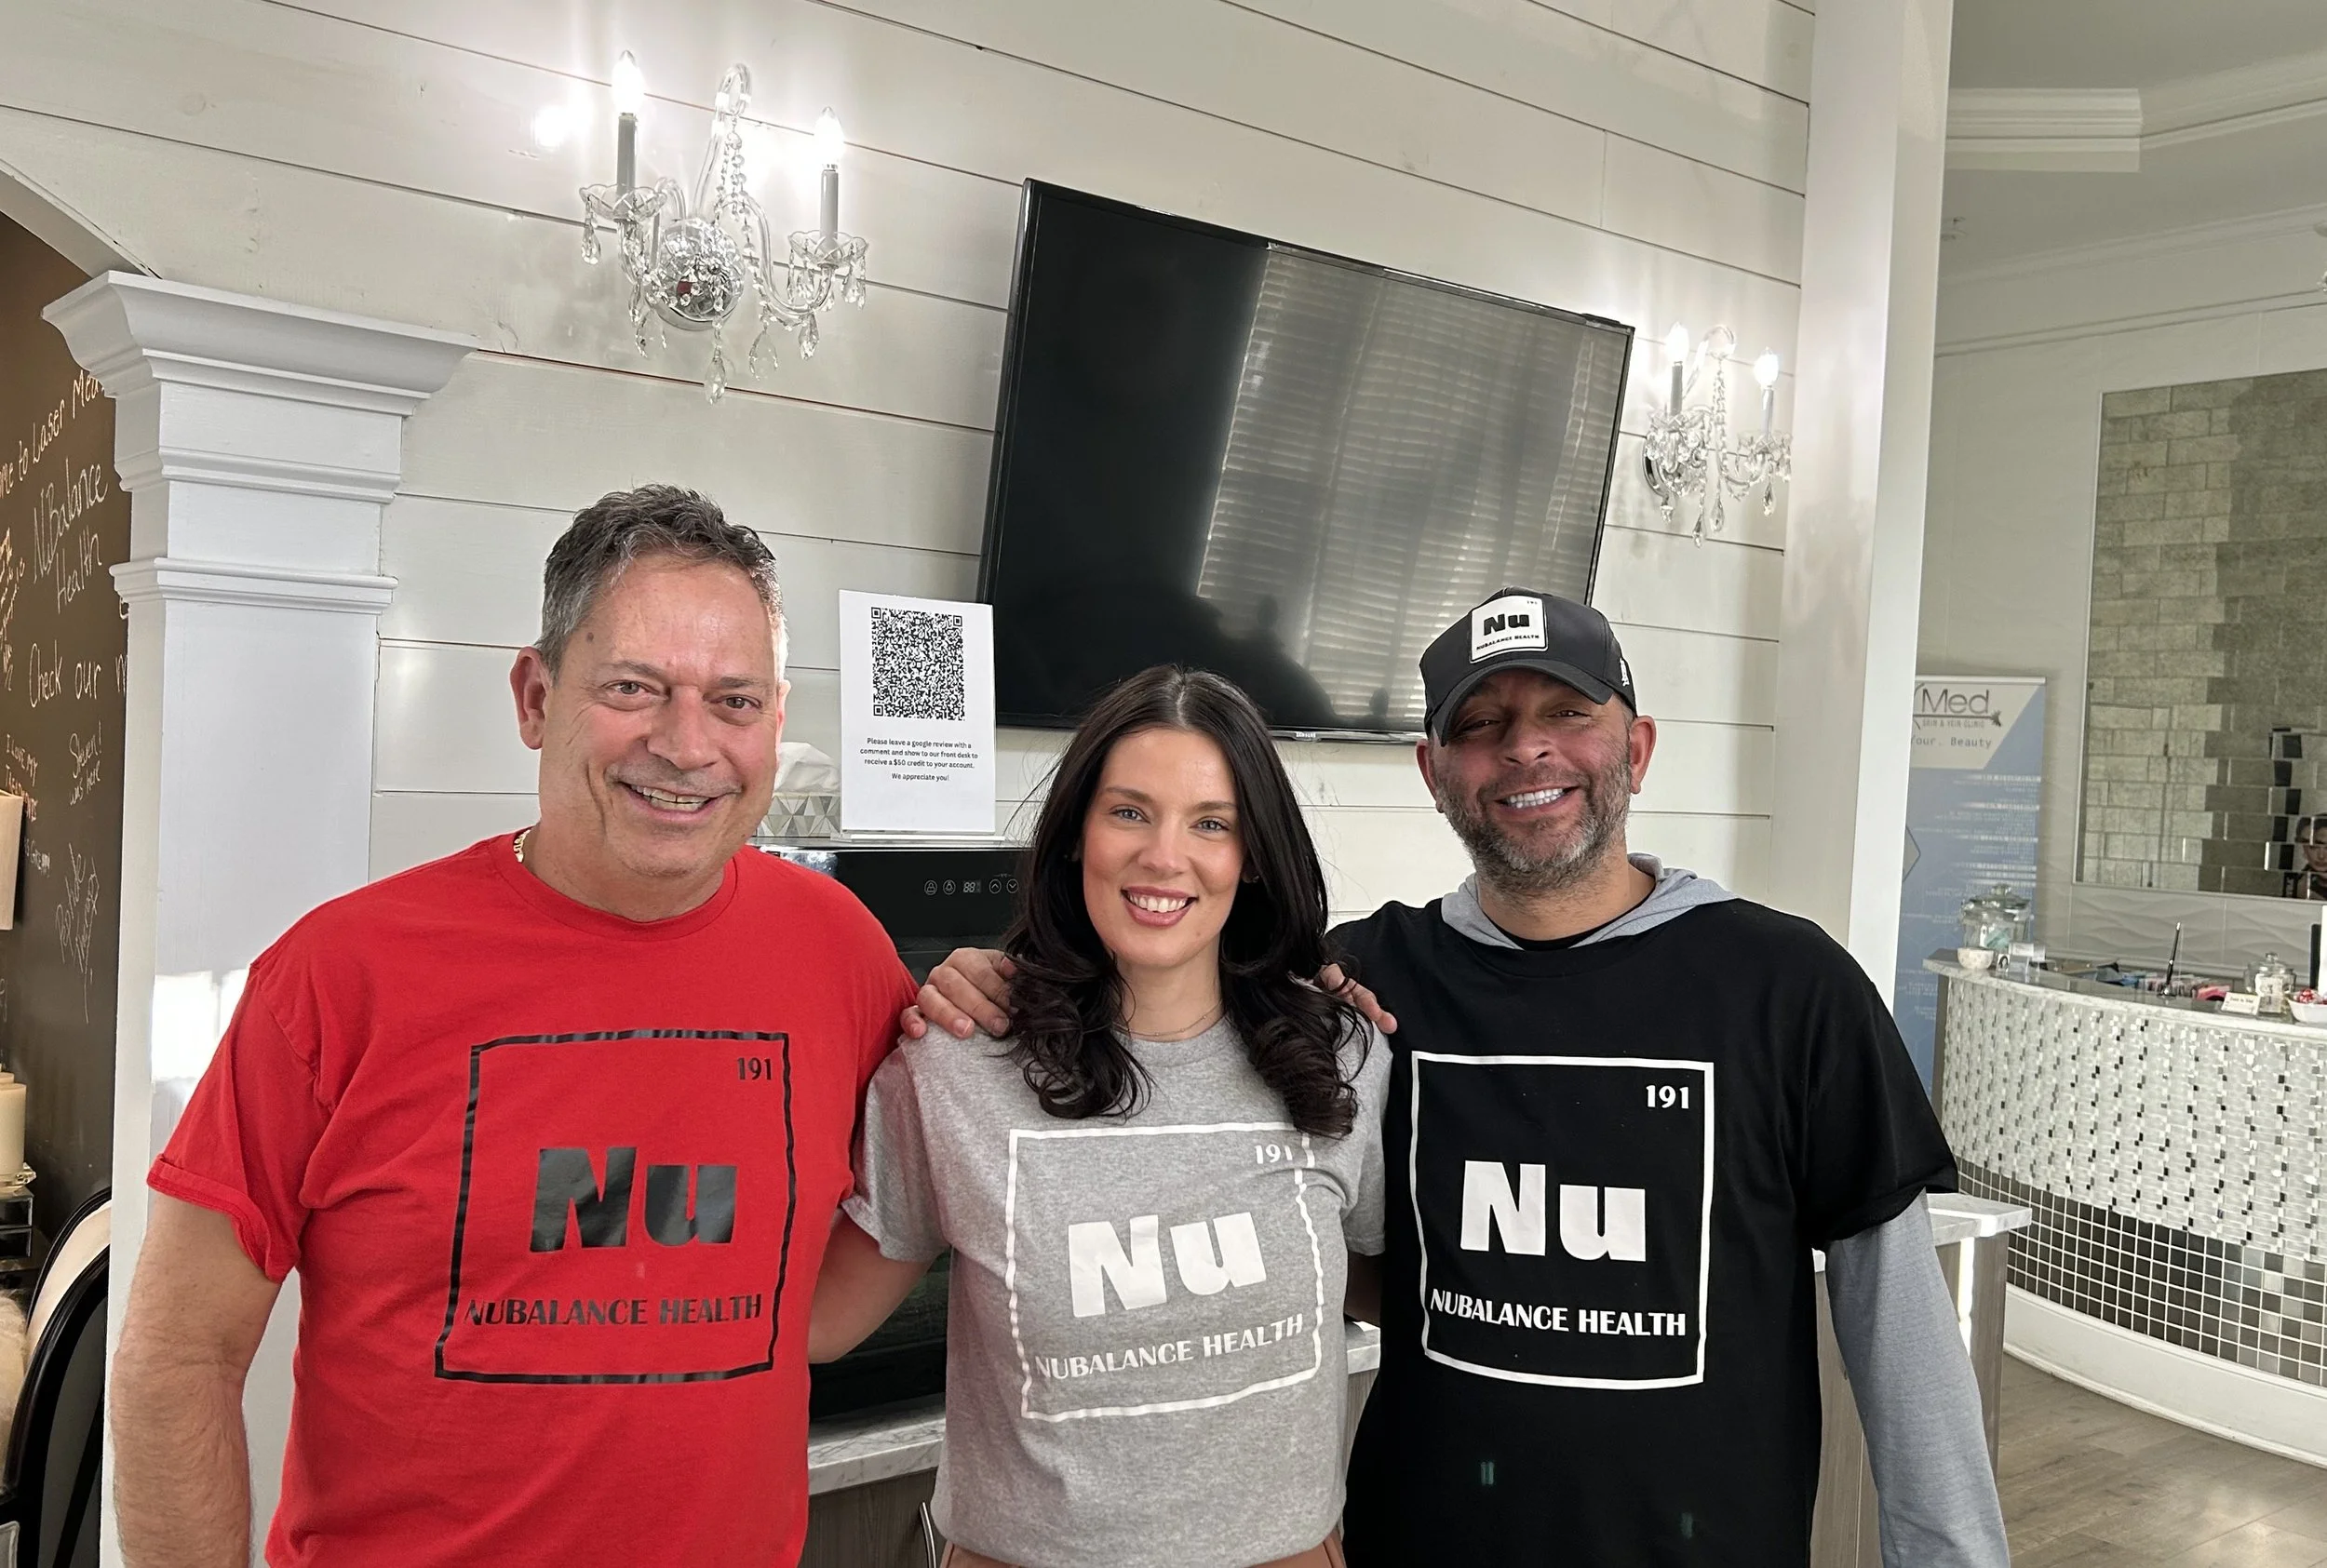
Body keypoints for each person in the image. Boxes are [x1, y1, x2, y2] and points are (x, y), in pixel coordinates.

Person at [911, 589, 2011, 1568]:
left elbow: (1897, 1312)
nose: (1525, 751)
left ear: (1636, 747)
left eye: (1566, 714)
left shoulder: (1787, 984)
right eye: (1480, 726)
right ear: (1434, 772)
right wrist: (1003, 978)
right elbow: (1193, 1082)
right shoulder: (1352, 991)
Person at [111, 487, 916, 1568]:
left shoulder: (840, 951)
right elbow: (178, 1352)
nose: (686, 744)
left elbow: (814, 1296)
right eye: (634, 687)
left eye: (733, 700)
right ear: (536, 697)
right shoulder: (340, 975)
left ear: (774, 722)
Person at [810, 665, 1387, 1568]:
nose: (1164, 854)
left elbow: (1400, 1284)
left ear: (1255, 854)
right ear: (1076, 835)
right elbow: (811, 1321)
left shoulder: (1342, 1055)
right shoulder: (957, 1065)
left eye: (1211, 821)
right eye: (1128, 811)